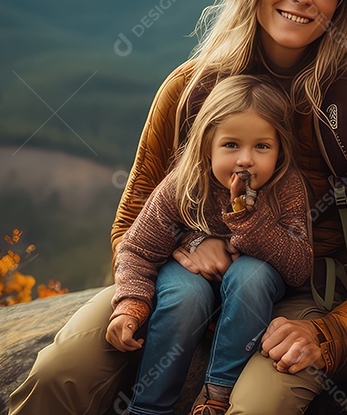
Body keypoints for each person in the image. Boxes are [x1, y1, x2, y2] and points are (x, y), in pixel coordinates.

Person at [9, 0, 347, 415]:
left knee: (254, 409)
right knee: (57, 376)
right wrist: (183, 248)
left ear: (340, 3)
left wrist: (331, 333)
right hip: (183, 281)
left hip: (302, 289)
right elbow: (133, 222)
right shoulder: (191, 87)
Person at [108, 75, 313, 415]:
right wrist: (131, 304)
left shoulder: (286, 187)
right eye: (231, 145)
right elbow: (137, 249)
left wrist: (248, 220)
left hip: (253, 286)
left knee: (251, 276)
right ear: (207, 145)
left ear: (279, 151)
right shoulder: (183, 185)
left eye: (262, 146)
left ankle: (216, 398)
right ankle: (148, 407)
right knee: (184, 295)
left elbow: (298, 268)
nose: (245, 159)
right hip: (193, 280)